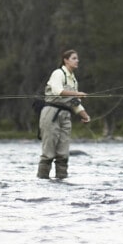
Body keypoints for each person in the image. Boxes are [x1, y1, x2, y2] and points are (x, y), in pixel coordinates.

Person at [37, 49, 90, 180]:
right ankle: (42, 182)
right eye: (74, 58)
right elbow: (58, 91)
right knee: (48, 152)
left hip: (66, 115)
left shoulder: (73, 80)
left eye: (77, 58)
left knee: (63, 153)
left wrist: (84, 115)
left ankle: (62, 182)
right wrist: (78, 94)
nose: (77, 61)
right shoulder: (58, 73)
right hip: (51, 113)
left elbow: (75, 103)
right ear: (65, 60)